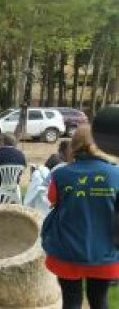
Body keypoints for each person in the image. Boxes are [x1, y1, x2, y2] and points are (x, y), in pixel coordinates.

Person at [41, 125, 119, 309]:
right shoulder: (116, 175)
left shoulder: (60, 174)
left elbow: (51, 200)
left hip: (67, 252)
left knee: (71, 301)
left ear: (73, 145)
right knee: (100, 300)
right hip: (105, 253)